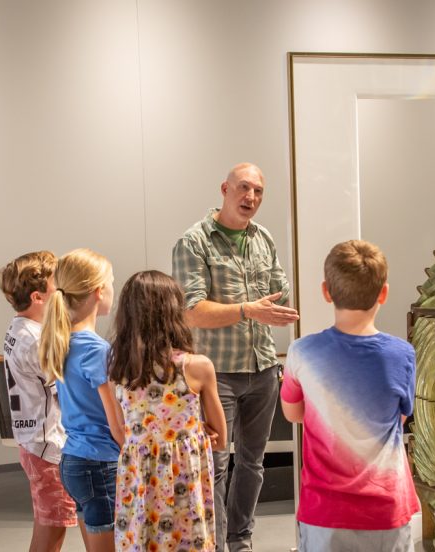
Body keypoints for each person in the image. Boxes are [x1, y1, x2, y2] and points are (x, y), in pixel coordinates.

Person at [172, 162, 298, 552]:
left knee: (253, 464)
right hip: (217, 374)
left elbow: (281, 290)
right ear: (224, 189)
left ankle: (239, 540)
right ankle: (215, 544)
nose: (251, 198)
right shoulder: (194, 241)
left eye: (259, 191)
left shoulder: (263, 238)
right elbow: (191, 311)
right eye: (244, 188)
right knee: (216, 463)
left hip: (262, 368)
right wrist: (248, 310)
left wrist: (287, 301)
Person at [280, 240, 419, 551]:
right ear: (383, 293)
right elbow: (400, 416)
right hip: (387, 509)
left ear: (326, 291)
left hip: (325, 512)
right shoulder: (403, 354)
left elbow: (293, 413)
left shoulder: (302, 352)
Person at [108, 270, 228, 551]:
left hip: (139, 481)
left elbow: (123, 434)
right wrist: (195, 433)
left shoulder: (118, 370)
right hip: (184, 480)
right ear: (174, 313)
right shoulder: (197, 367)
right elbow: (221, 438)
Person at [38, 248, 123, 552]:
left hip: (75, 460)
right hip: (100, 463)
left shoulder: (65, 341)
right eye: (111, 282)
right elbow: (116, 423)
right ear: (99, 291)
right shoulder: (96, 350)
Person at [0, 251, 78, 551]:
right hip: (48, 445)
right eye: (57, 290)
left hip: (34, 441)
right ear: (38, 297)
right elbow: (64, 387)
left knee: (48, 523)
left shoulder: (19, 328)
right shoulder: (35, 339)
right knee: (53, 528)